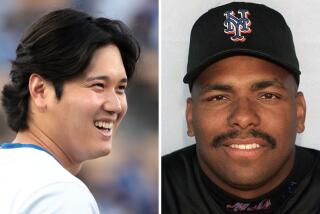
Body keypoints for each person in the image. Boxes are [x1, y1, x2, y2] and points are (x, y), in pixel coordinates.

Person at [162, 2, 320, 213]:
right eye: (219, 97)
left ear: (300, 112)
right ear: (190, 117)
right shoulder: (160, 192)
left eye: (267, 95)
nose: (243, 117)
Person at [0, 8, 139, 213]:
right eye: (98, 85)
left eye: (120, 88)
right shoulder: (60, 193)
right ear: (40, 90)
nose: (115, 106)